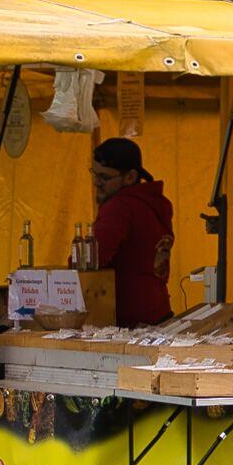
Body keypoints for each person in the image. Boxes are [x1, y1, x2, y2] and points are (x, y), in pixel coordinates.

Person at [89, 138, 173, 326]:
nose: (96, 182)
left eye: (104, 177)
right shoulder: (155, 203)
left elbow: (91, 259)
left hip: (131, 322)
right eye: (94, 174)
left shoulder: (119, 208)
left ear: (130, 177)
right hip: (159, 312)